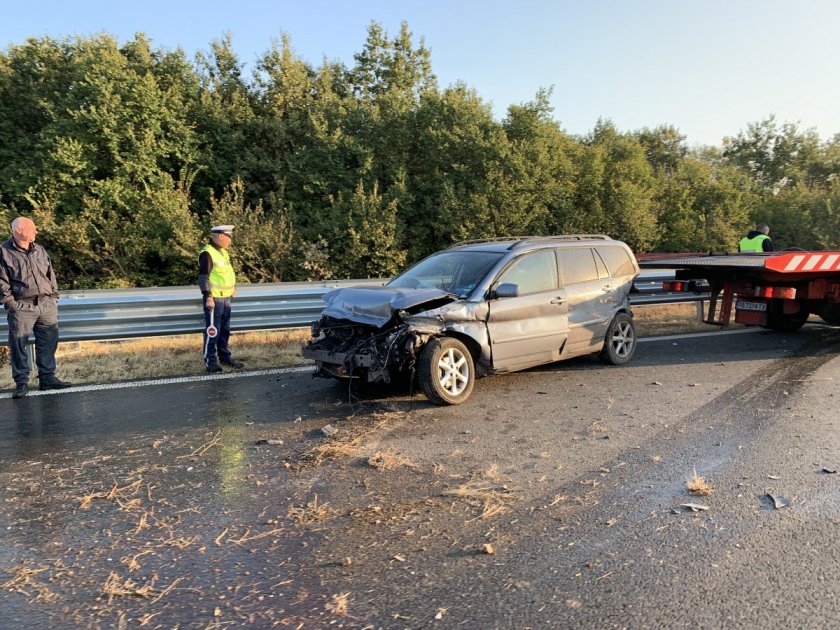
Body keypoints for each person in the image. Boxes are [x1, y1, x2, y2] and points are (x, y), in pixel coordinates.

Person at [0, 217, 72, 398]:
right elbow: (2, 282)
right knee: (18, 345)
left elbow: (50, 273)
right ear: (18, 230)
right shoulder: (4, 252)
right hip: (22, 306)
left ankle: (47, 378)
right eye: (32, 228)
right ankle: (21, 382)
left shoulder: (39, 249)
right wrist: (12, 305)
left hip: (46, 304)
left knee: (48, 342)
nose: (36, 231)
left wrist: (53, 295)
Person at [199, 225, 244, 373]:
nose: (230, 241)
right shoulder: (207, 253)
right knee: (213, 331)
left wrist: (232, 287)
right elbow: (204, 278)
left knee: (224, 330)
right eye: (229, 238)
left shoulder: (222, 252)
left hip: (225, 298)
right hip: (215, 299)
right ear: (220, 236)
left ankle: (225, 358)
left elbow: (225, 273)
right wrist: (208, 297)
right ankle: (210, 361)